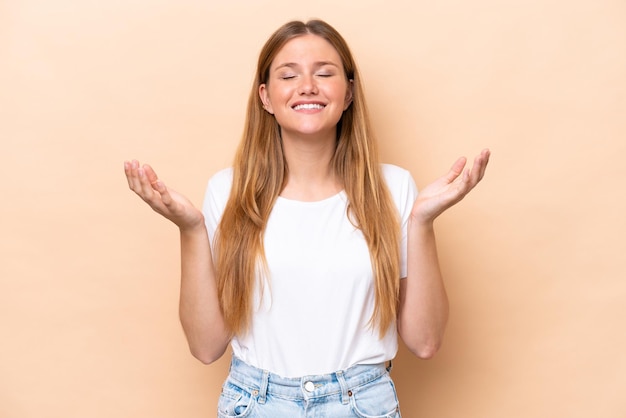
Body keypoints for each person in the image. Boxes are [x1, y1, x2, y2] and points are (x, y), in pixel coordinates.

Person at [124, 18, 489, 418]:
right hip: (255, 404)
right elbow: (206, 346)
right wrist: (191, 230)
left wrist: (422, 223)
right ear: (265, 96)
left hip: (363, 405)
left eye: (324, 72)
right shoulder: (228, 192)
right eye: (288, 74)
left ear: (348, 92)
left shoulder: (394, 188)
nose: (308, 86)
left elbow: (426, 341)